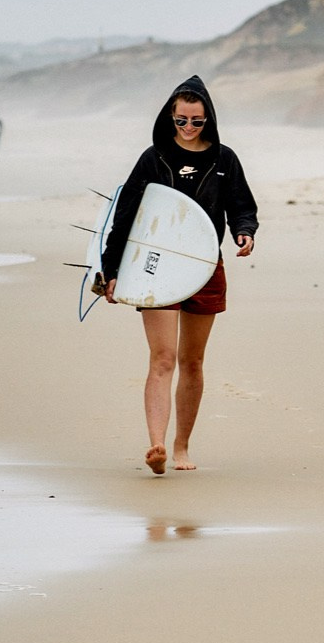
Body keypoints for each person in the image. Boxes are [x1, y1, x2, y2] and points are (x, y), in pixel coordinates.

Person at [95, 76, 258, 474]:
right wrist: (111, 269)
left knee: (193, 361)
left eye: (197, 121)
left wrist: (245, 230)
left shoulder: (224, 160)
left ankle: (181, 447)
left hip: (205, 266)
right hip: (157, 268)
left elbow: (241, 205)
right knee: (163, 357)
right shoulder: (154, 158)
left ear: (209, 119)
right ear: (170, 116)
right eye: (181, 120)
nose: (188, 127)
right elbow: (125, 216)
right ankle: (156, 445)